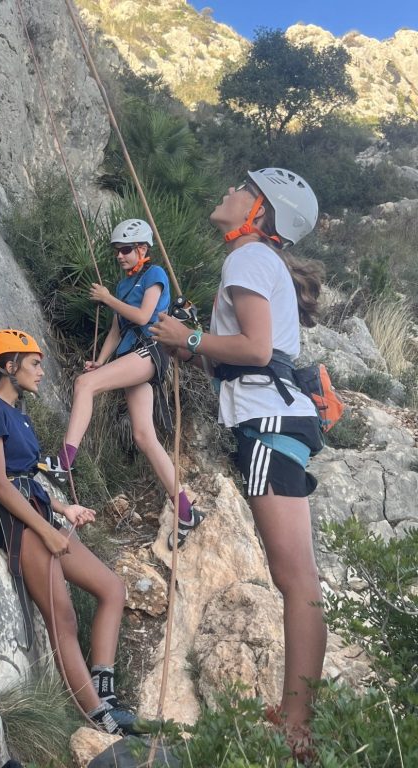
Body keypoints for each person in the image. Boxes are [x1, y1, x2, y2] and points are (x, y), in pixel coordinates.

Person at [150, 168, 326, 758]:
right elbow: (245, 360)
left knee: (295, 579)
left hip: (268, 424)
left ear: (260, 212)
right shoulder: (258, 262)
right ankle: (297, 719)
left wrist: (191, 340)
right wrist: (191, 344)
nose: (228, 189)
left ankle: (296, 727)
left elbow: (252, 350)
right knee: (299, 577)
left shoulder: (248, 259)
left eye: (242, 188)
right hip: (281, 418)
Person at [0, 329, 154, 735]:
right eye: (34, 364)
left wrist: (63, 508)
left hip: (33, 509)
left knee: (112, 588)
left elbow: (26, 479)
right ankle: (99, 717)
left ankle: (104, 690)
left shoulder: (20, 416)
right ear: (8, 366)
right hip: (11, 519)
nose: (41, 372)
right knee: (63, 617)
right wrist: (45, 531)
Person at [47, 219, 203, 549]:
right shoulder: (121, 287)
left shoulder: (154, 275)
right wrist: (102, 360)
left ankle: (63, 462)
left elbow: (145, 316)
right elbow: (117, 329)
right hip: (134, 354)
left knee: (84, 385)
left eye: (126, 250)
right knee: (144, 436)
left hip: (150, 351)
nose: (120, 256)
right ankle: (186, 510)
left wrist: (106, 298)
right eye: (117, 251)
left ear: (142, 250)